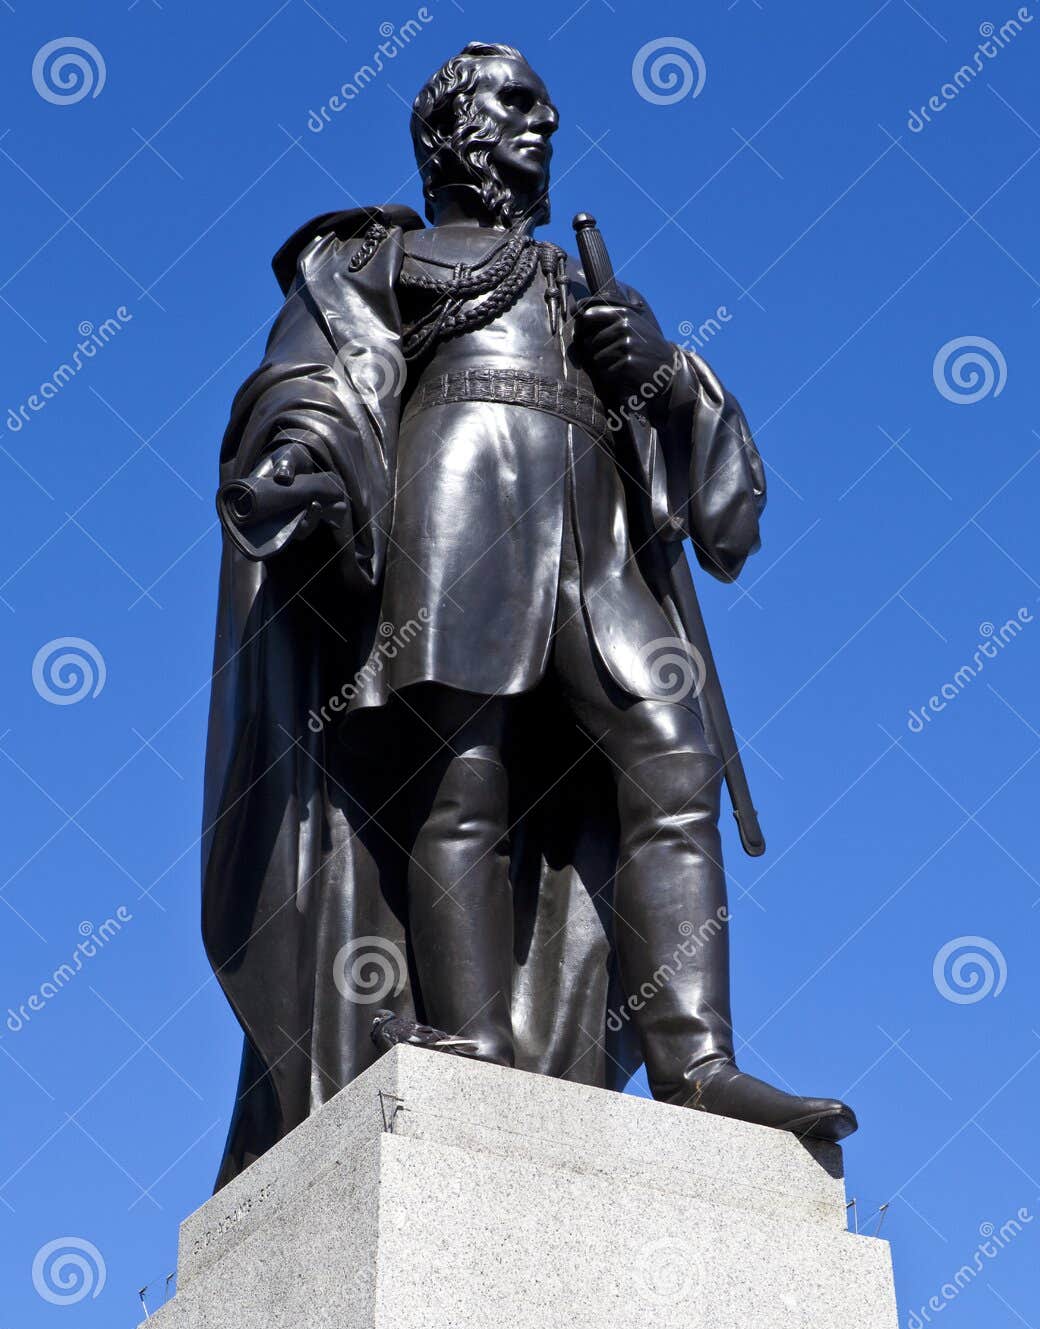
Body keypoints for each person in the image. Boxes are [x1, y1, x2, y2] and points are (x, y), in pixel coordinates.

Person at [204, 41, 855, 1189]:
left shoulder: (584, 288)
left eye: (545, 107)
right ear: (445, 128)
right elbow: (315, 379)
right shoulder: (377, 255)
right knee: (464, 773)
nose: (542, 121)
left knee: (673, 764)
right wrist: (296, 462)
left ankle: (695, 1061)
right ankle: (474, 1037)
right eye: (513, 102)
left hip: (599, 535)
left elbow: (705, 487)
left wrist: (658, 368)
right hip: (458, 498)